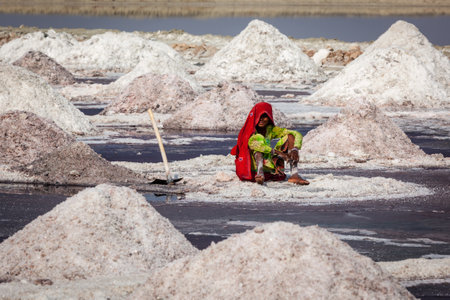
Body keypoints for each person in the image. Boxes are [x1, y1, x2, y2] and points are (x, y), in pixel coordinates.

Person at [230, 102, 309, 185]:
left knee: (290, 136)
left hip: (270, 168)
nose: (261, 119)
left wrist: (295, 149)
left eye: (264, 116)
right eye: (259, 116)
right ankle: (260, 174)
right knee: (259, 140)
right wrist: (279, 153)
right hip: (253, 169)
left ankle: (294, 174)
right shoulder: (249, 131)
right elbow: (257, 146)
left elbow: (296, 134)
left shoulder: (270, 130)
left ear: (269, 118)